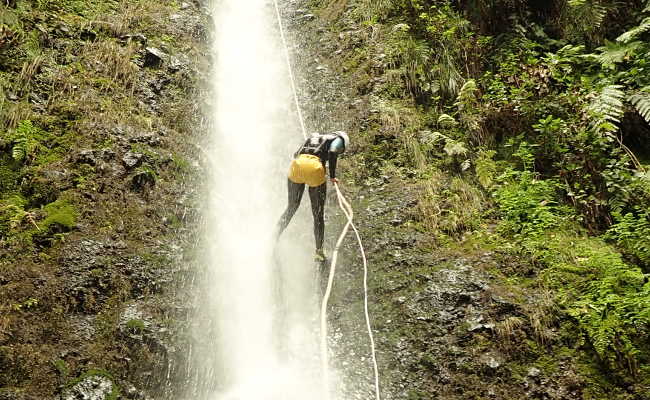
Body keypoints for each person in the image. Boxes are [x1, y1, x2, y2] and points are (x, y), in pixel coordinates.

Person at [276, 131, 350, 262]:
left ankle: (274, 237)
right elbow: (333, 152)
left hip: (296, 166)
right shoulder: (339, 139)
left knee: (291, 207)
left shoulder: (313, 137)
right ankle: (319, 252)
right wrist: (332, 176)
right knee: (318, 214)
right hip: (315, 168)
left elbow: (296, 154)